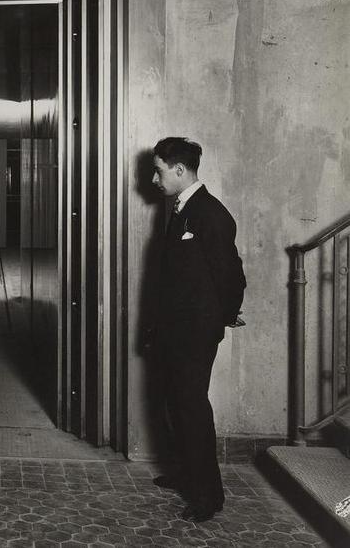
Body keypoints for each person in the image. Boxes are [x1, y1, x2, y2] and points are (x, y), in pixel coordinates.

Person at [149, 137, 246, 523]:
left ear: (178, 170)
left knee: (191, 409)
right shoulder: (183, 210)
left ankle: (208, 497)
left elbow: (232, 276)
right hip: (175, 331)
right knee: (176, 403)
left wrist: (221, 317)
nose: (154, 180)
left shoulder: (212, 214)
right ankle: (185, 474)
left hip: (195, 334)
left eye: (158, 171)